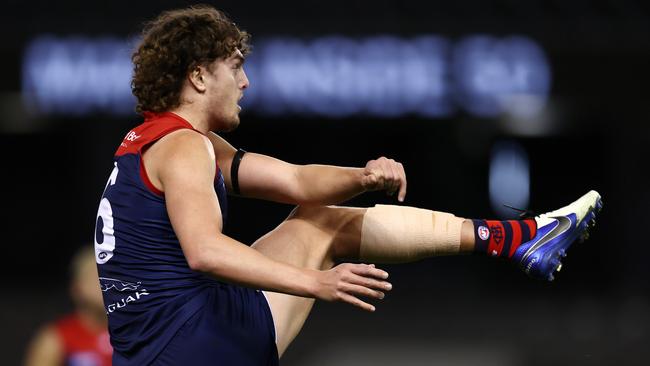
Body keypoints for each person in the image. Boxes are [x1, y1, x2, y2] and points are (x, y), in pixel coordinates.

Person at [93, 5, 603, 365]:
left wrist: (362, 177)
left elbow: (294, 181)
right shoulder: (184, 148)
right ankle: (515, 238)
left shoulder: (155, 141)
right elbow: (204, 251)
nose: (245, 82)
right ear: (200, 77)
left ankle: (513, 238)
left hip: (159, 346)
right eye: (235, 66)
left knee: (321, 218)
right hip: (194, 343)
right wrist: (316, 282)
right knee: (323, 228)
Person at [24, 246, 112, 366]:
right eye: (97, 277)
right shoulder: (56, 339)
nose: (108, 284)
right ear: (76, 288)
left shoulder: (137, 333)